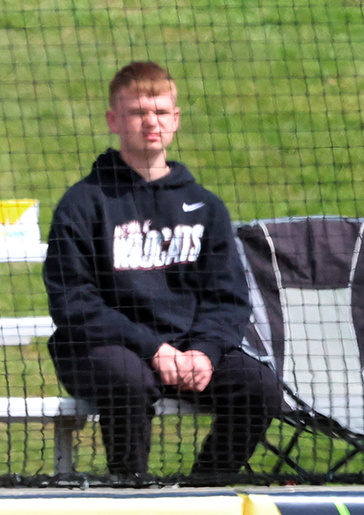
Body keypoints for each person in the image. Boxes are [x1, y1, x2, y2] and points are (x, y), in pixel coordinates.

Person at [43, 61, 282, 479]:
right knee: (128, 382)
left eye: (160, 111)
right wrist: (153, 348)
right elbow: (73, 302)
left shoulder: (206, 206)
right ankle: (130, 488)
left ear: (175, 119)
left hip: (188, 350)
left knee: (258, 387)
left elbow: (228, 299)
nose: (150, 122)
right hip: (102, 350)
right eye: (137, 113)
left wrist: (205, 352)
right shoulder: (83, 203)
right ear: (114, 121)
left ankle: (204, 489)